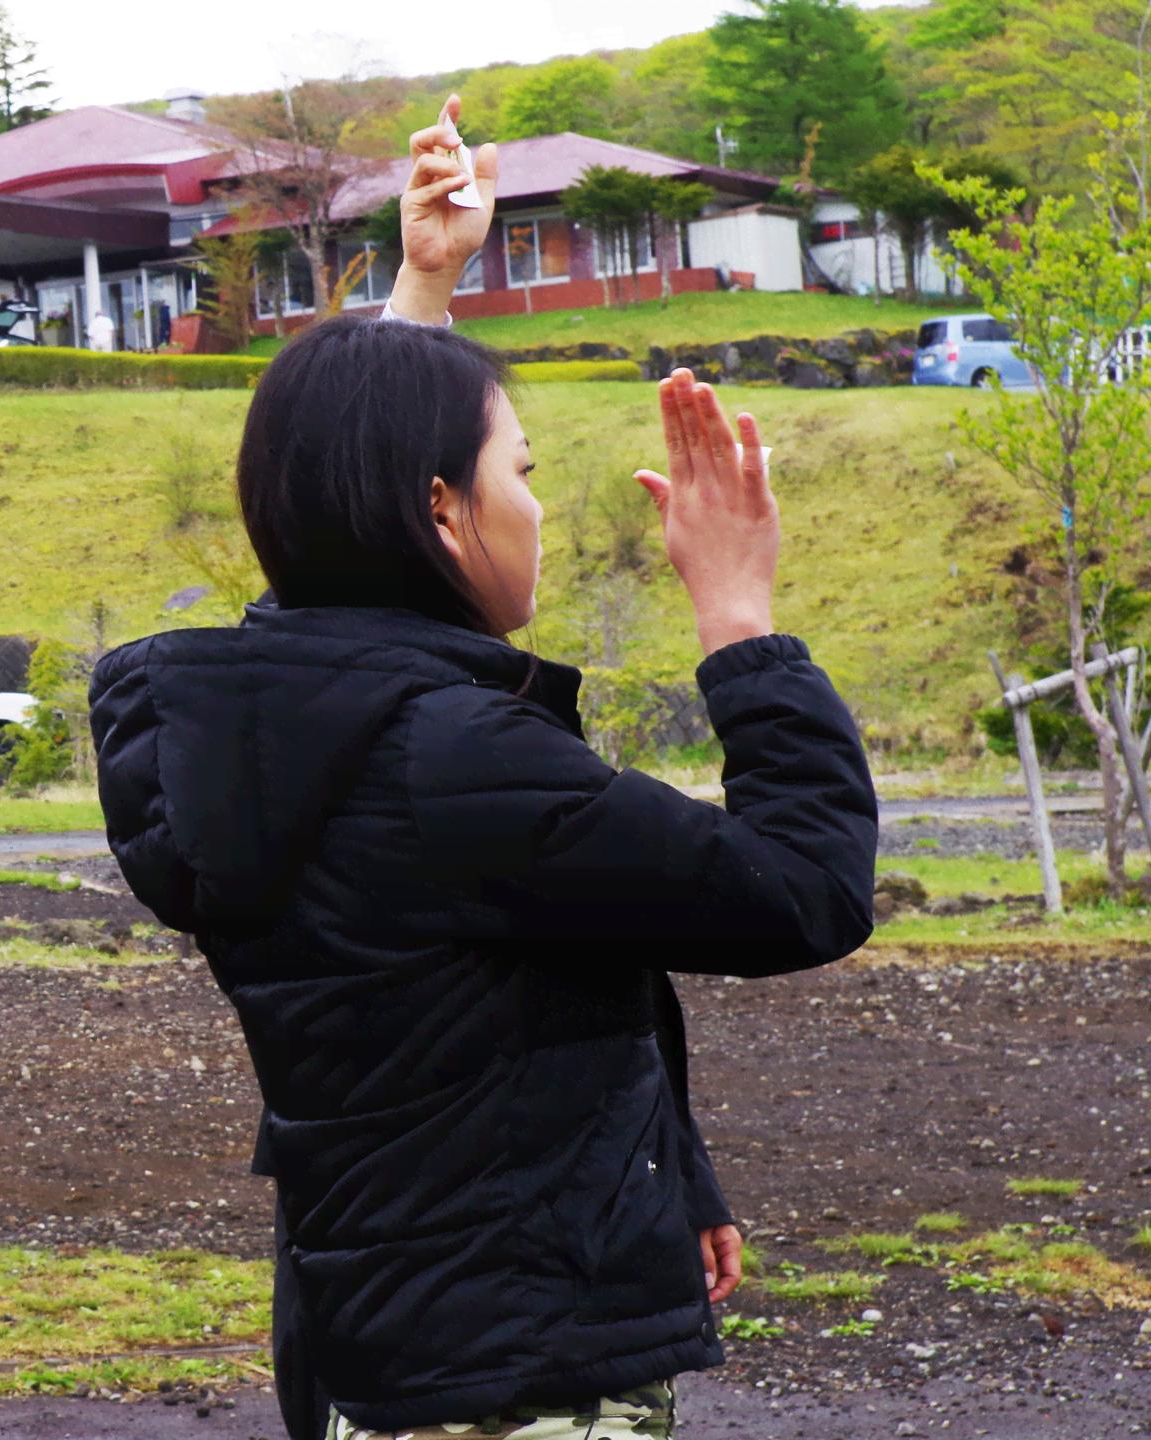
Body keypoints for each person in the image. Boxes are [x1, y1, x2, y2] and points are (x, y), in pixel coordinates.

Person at [88, 95, 877, 1440]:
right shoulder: (451, 762)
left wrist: (422, 298)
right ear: (440, 509)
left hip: (380, 1356)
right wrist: (741, 625)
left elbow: (508, 995)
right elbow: (801, 889)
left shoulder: (253, 737)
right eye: (517, 468)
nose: (541, 503)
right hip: (521, 1385)